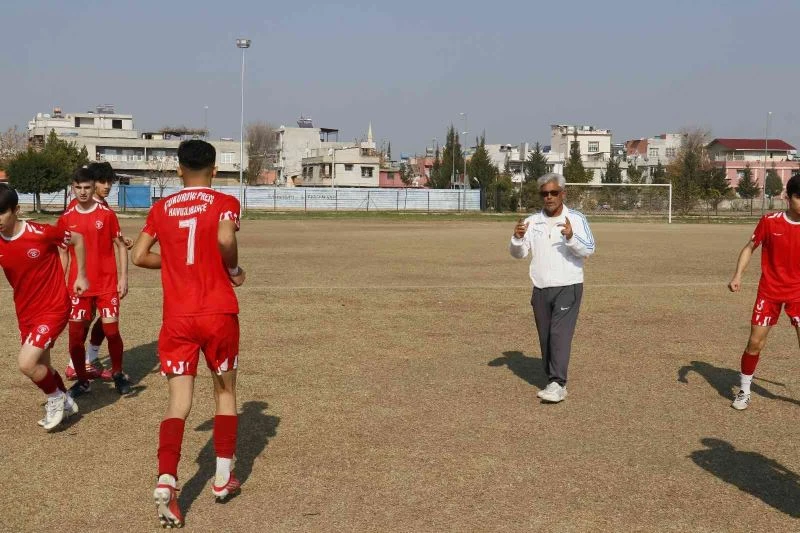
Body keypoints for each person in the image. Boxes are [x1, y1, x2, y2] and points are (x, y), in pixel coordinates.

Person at [132, 139, 246, 528]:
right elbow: (226, 238)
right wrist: (232, 269)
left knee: (178, 403)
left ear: (179, 169)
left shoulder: (161, 207)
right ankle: (221, 478)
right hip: (217, 312)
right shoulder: (224, 202)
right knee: (225, 391)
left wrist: (175, 262)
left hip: (177, 318)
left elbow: (138, 256)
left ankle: (167, 479)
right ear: (214, 170)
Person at [0, 184, 89, 430]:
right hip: (25, 312)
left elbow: (78, 239)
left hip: (54, 307)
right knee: (43, 366)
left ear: (16, 210)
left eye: (2, 212)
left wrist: (81, 276)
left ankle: (55, 398)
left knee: (27, 363)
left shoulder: (41, 232)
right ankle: (67, 401)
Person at [509, 173, 595, 403]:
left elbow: (589, 249)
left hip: (568, 285)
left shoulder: (576, 218)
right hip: (540, 288)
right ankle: (552, 379)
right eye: (544, 193)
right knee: (546, 337)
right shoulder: (531, 221)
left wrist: (570, 237)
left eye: (554, 193)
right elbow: (519, 254)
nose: (549, 197)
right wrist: (516, 239)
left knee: (559, 335)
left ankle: (558, 383)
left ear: (563, 194)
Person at [728, 174, 800, 410]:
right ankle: (745, 390)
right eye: (799, 197)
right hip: (769, 292)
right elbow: (750, 247)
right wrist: (738, 275)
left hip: (798, 294)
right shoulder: (770, 222)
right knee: (754, 343)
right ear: (787, 197)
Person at [59, 166, 130, 397]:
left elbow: (118, 244)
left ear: (92, 188)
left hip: (107, 284)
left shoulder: (107, 214)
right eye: (78, 187)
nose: (83, 191)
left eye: (87, 187)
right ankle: (82, 380)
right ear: (73, 188)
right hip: (79, 287)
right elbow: (62, 253)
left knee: (112, 331)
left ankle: (118, 374)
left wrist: (123, 278)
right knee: (75, 336)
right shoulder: (67, 218)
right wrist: (61, 284)